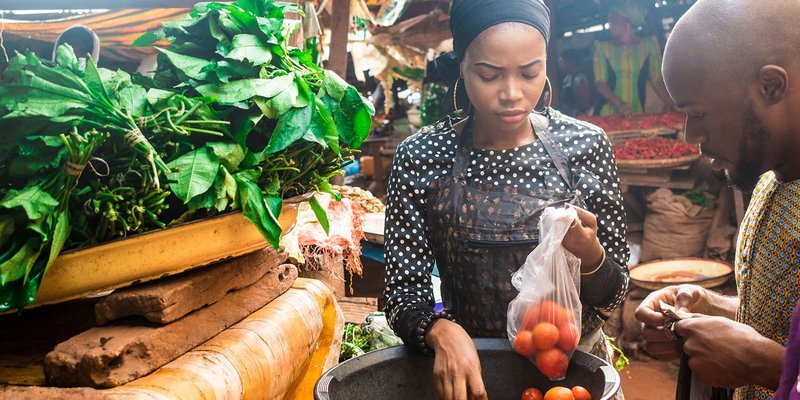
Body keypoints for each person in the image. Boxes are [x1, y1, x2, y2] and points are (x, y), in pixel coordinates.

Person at [383, 1, 630, 399]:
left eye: (530, 72)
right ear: (461, 66)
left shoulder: (585, 145)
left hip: (573, 376)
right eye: (489, 75)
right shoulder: (421, 156)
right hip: (473, 376)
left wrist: (591, 258)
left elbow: (616, 293)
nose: (513, 94)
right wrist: (438, 329)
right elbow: (401, 293)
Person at [634, 1, 800, 398]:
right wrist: (712, 307)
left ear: (771, 86)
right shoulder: (770, 178)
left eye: (699, 113)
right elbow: (783, 320)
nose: (690, 136)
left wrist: (764, 364)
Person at [593, 0, 673, 117]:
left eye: (614, 20)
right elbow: (600, 84)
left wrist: (672, 105)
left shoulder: (649, 46)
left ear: (627, 22)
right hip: (607, 113)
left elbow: (656, 81)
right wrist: (620, 104)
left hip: (636, 112)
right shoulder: (603, 49)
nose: (610, 24)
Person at [559, 48, 594, 117]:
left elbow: (584, 104)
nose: (560, 66)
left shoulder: (580, 80)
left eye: (563, 62)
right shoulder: (567, 78)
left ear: (571, 62)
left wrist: (568, 108)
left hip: (577, 116)